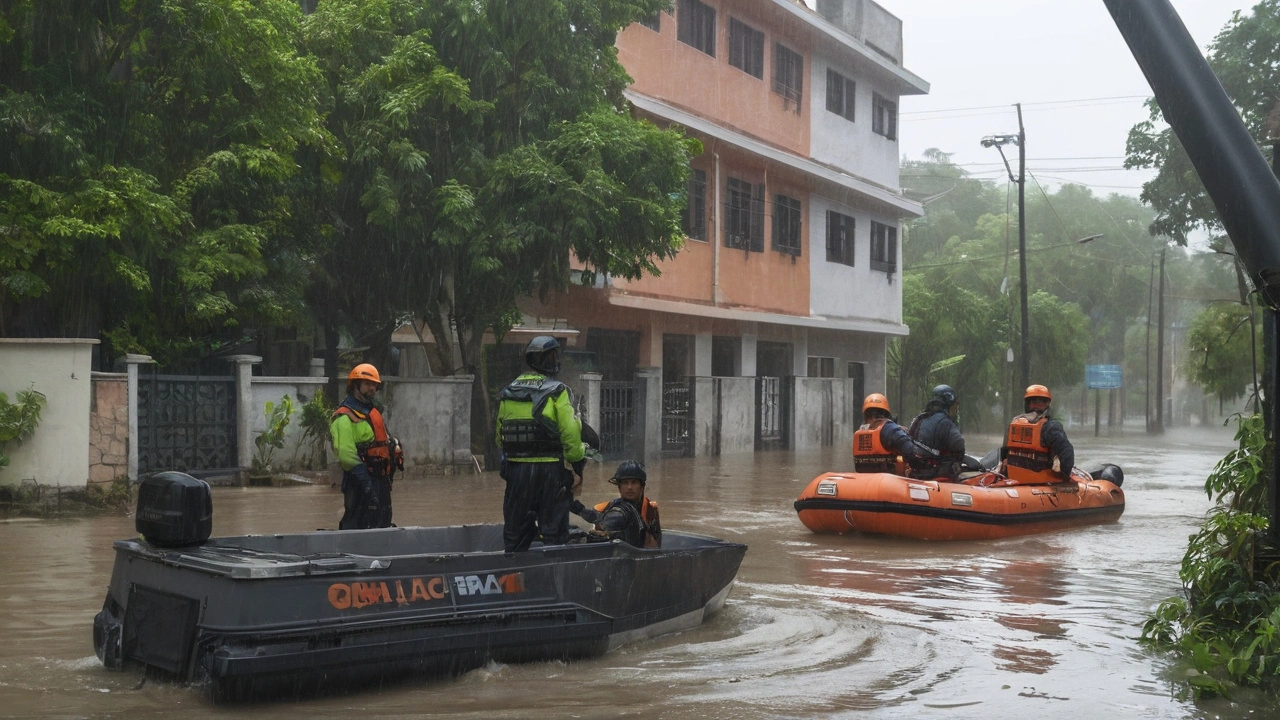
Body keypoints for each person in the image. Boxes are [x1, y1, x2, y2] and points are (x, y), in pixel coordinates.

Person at [495, 336, 586, 552]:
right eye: (553, 356)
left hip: (517, 473)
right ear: (547, 359)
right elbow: (571, 433)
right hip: (550, 473)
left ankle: (513, 577)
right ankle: (554, 580)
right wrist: (577, 463)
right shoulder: (557, 390)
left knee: (514, 537)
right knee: (554, 536)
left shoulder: (509, 391)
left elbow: (500, 436)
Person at [330, 363, 403, 530]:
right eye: (368, 384)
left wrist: (394, 448)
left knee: (382, 519)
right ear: (355, 385)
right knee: (357, 522)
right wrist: (367, 484)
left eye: (374, 385)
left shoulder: (373, 413)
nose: (372, 388)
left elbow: (384, 440)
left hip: (381, 480)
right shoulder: (344, 417)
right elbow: (346, 455)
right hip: (359, 482)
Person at [571, 460, 661, 548]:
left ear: (642, 487)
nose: (629, 487)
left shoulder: (651, 508)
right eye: (625, 483)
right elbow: (597, 519)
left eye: (634, 482)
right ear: (619, 487)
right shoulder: (617, 511)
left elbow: (656, 541)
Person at [1004, 384, 1075, 484]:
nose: (1037, 407)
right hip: (1039, 482)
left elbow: (1003, 454)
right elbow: (1067, 454)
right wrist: (1064, 480)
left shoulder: (1014, 423)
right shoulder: (1051, 427)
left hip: (1017, 480)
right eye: (1034, 403)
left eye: (1040, 403)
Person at [853, 393, 930, 474]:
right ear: (886, 413)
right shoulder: (889, 429)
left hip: (864, 480)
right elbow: (911, 453)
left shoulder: (860, 432)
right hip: (887, 481)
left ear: (865, 415)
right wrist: (923, 466)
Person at [906, 384, 966, 480]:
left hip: (916, 471)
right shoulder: (945, 423)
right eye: (954, 406)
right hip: (934, 472)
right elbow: (958, 444)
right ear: (949, 404)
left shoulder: (921, 418)